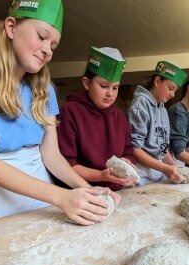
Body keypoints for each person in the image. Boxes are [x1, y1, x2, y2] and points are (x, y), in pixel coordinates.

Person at [0, 0, 119, 227]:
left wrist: (88, 191)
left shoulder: (45, 89)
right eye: (42, 36)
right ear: (11, 27)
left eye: (53, 45)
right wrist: (61, 197)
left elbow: (51, 156)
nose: (47, 50)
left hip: (40, 201)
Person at [57, 46, 138, 191]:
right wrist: (102, 175)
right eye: (104, 86)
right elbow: (65, 164)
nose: (110, 94)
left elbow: (128, 151)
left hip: (116, 191)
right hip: (80, 192)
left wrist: (126, 162)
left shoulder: (120, 116)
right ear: (86, 83)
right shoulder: (70, 112)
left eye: (115, 88)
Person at [127, 61, 187, 185]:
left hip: (158, 172)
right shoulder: (140, 104)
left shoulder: (163, 109)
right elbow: (134, 148)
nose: (173, 95)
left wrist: (176, 167)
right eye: (170, 88)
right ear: (157, 81)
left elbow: (162, 149)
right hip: (141, 175)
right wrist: (165, 168)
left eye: (175, 90)